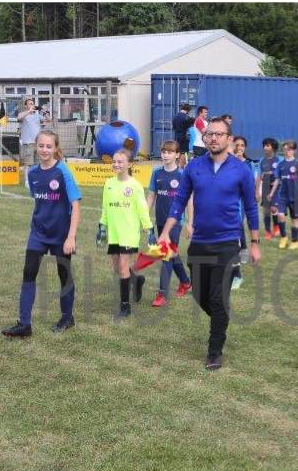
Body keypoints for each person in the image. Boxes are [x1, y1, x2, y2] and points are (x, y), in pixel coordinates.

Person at [158, 117, 261, 370]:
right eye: (209, 134)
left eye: (219, 134)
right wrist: (166, 231)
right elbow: (179, 200)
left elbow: (251, 207)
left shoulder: (241, 170)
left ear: (229, 138)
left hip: (228, 243)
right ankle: (221, 318)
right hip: (199, 242)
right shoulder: (194, 167)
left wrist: (255, 242)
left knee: (217, 296)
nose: (213, 138)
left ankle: (214, 351)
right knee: (200, 294)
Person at [2, 130, 82, 337]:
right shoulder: (33, 173)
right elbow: (38, 201)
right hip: (38, 232)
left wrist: (71, 236)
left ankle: (67, 317)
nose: (45, 150)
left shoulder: (63, 171)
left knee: (63, 274)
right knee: (28, 272)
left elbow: (75, 205)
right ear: (36, 147)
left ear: (55, 148)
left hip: (61, 234)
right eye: (41, 146)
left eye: (49, 146)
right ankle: (24, 324)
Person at [97, 148, 154, 318]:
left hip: (129, 233)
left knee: (123, 267)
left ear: (129, 164)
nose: (116, 164)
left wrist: (149, 229)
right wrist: (102, 226)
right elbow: (105, 208)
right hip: (114, 233)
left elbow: (142, 210)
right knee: (117, 268)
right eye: (114, 161)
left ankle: (125, 306)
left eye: (120, 162)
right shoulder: (109, 183)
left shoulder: (135, 186)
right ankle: (136, 280)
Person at [147, 140, 193, 307]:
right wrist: (145, 217)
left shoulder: (182, 175)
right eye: (164, 152)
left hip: (175, 222)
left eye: (170, 152)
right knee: (171, 252)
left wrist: (190, 222)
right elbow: (151, 196)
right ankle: (185, 282)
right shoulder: (156, 173)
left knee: (166, 254)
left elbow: (189, 200)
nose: (166, 155)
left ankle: (162, 294)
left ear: (177, 155)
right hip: (160, 220)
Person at [267, 140, 298, 250]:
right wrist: (271, 193)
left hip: (295, 195)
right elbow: (277, 180)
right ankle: (283, 237)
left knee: (295, 219)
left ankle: (295, 241)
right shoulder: (280, 164)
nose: (287, 152)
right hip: (282, 195)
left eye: (289, 149)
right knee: (280, 215)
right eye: (285, 149)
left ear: (294, 151)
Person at [231, 135, 253, 289]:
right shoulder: (228, 161)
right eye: (237, 145)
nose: (239, 148)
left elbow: (249, 183)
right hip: (228, 201)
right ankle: (243, 248)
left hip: (241, 202)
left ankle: (236, 274)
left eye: (242, 145)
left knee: (237, 227)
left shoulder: (247, 164)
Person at [17, 98, 50, 188]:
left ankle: (35, 180)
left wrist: (45, 112)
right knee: (28, 163)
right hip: (28, 143)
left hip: (38, 143)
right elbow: (19, 118)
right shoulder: (23, 114)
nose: (32, 105)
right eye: (30, 104)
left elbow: (48, 120)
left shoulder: (37, 115)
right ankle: (27, 181)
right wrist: (29, 111)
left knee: (37, 163)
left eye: (33, 103)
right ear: (26, 106)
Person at [256, 137, 282, 240]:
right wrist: (257, 191)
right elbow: (259, 176)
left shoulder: (279, 160)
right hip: (266, 186)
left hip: (277, 187)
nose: (265, 148)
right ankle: (267, 231)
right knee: (266, 210)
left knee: (274, 208)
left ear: (273, 147)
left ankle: (276, 226)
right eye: (264, 146)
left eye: (267, 145)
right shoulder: (262, 160)